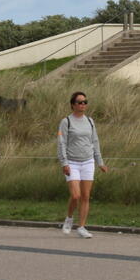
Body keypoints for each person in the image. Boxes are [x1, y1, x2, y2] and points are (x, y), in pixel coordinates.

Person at [57, 91, 108, 238]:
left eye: (85, 102)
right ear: (73, 105)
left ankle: (82, 227)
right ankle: (69, 218)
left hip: (88, 162)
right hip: (72, 162)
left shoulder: (90, 121)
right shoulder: (66, 121)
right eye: (80, 102)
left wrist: (100, 162)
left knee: (85, 196)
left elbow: (95, 142)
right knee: (75, 195)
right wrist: (64, 163)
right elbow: (61, 143)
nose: (83, 105)